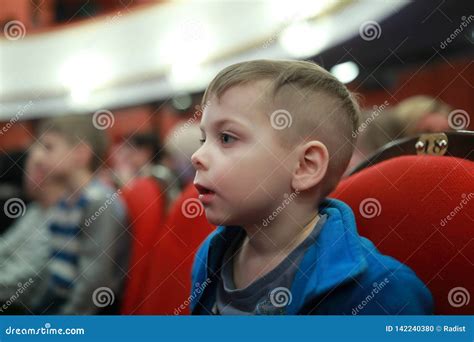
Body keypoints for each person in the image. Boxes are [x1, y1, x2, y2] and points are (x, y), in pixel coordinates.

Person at [190, 59, 433, 315]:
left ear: (306, 166)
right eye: (203, 139)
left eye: (227, 138)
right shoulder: (211, 256)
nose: (197, 155)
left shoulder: (379, 291)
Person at [30, 114, 130, 315]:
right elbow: (53, 270)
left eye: (48, 147)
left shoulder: (99, 202)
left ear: (81, 154)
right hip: (57, 301)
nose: (38, 157)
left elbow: (93, 284)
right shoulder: (64, 200)